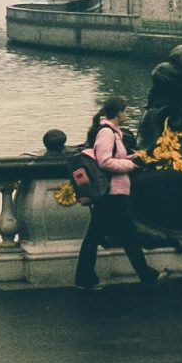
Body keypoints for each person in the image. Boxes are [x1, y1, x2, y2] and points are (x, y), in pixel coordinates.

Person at [76, 95, 160, 290]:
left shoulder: (112, 132)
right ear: (119, 112)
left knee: (102, 237)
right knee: (122, 236)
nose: (127, 114)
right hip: (113, 193)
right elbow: (104, 161)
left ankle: (85, 278)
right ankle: (146, 275)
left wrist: (135, 157)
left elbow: (113, 157)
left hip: (114, 193)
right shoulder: (107, 133)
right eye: (125, 111)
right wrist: (131, 164)